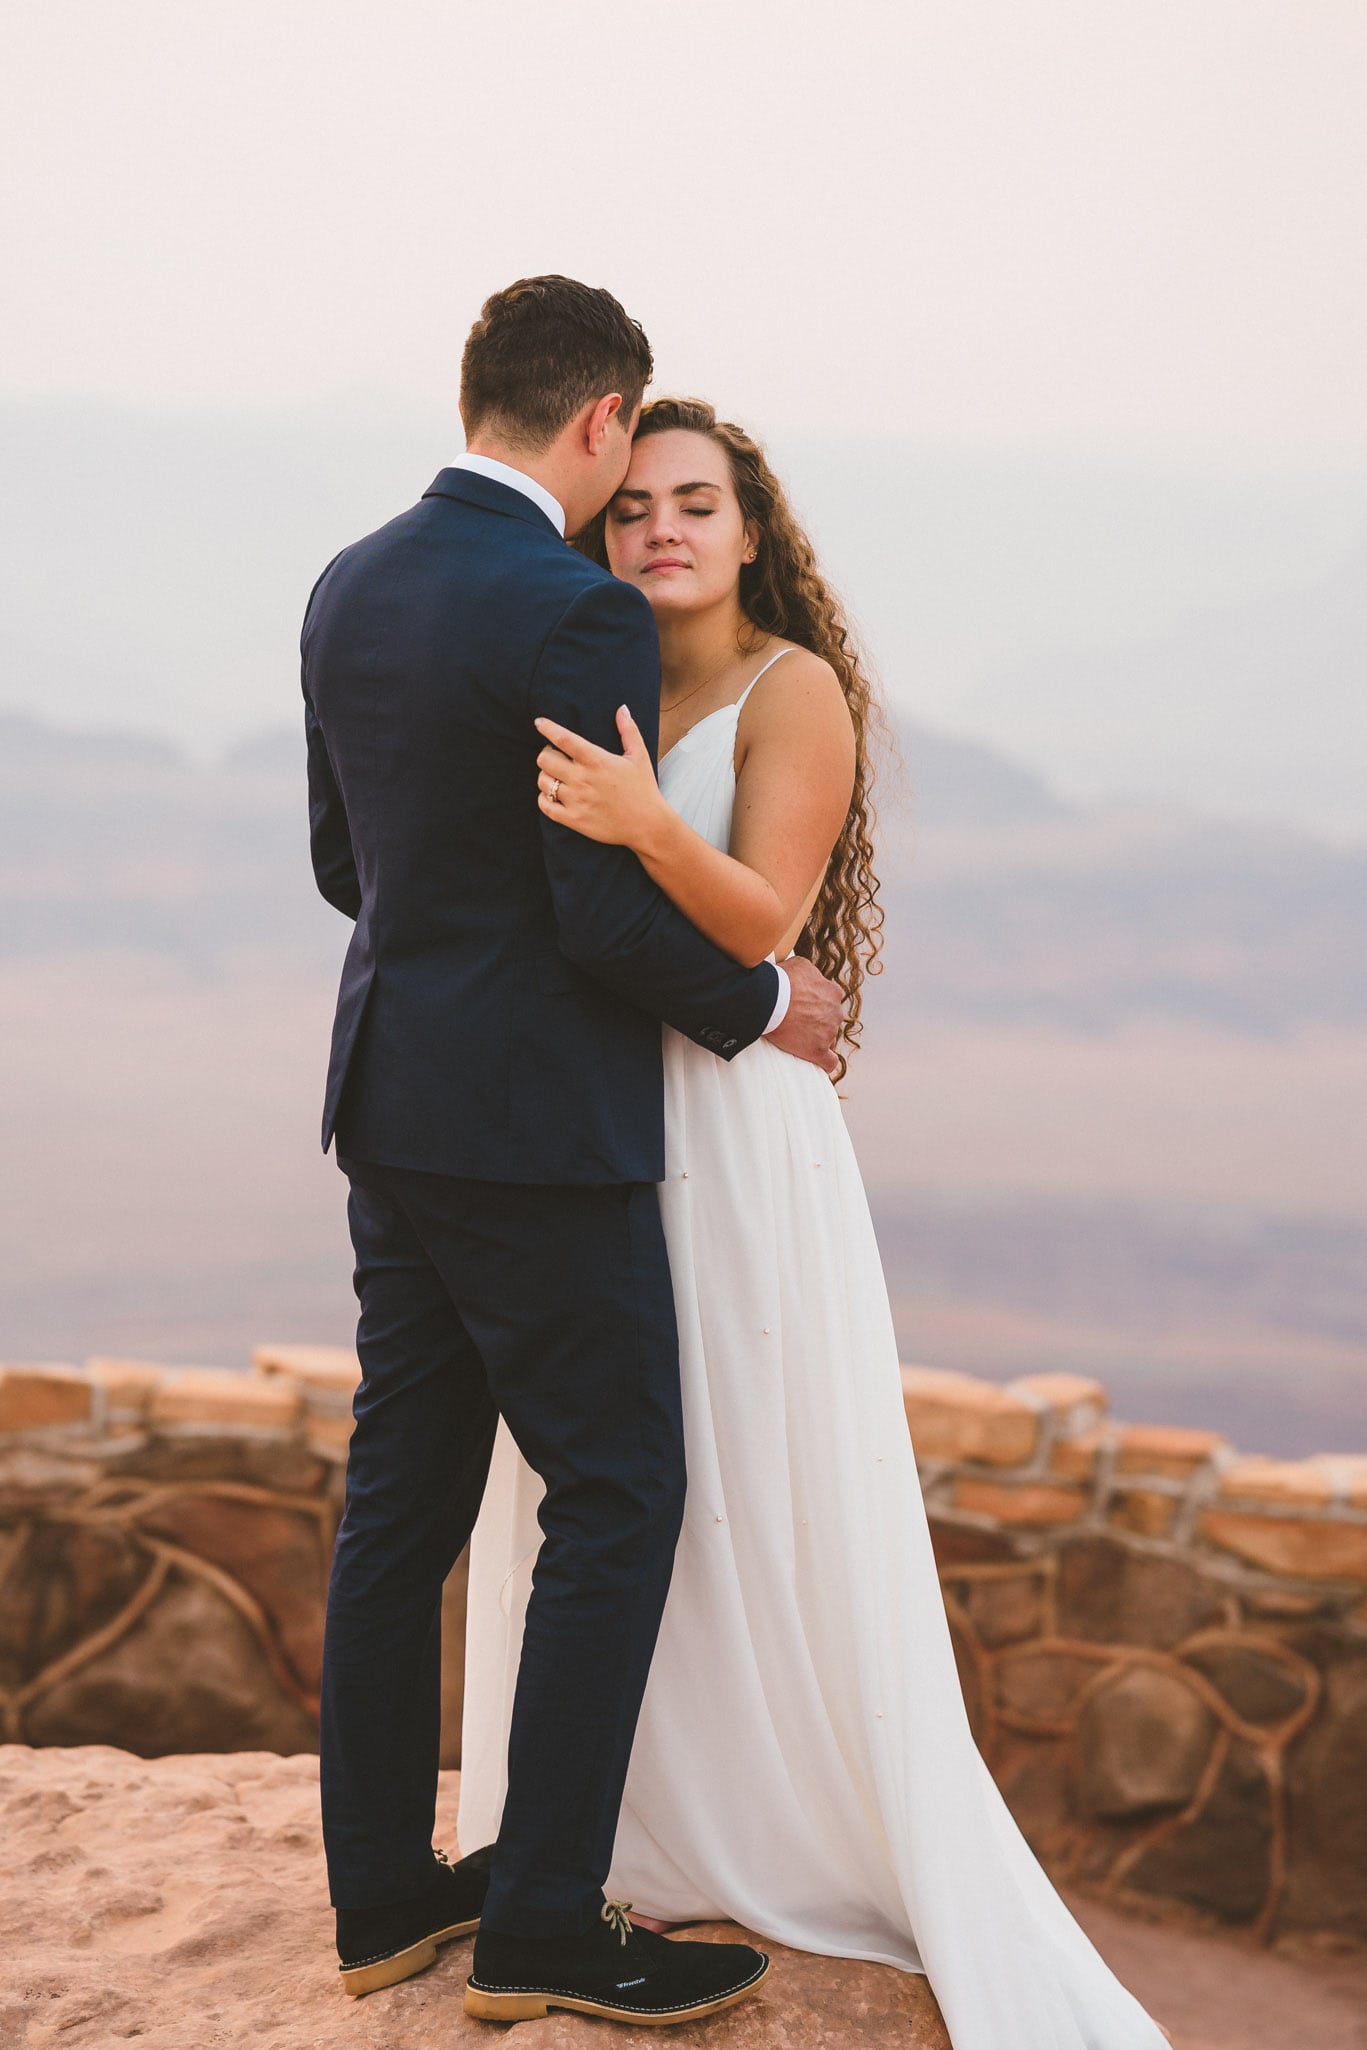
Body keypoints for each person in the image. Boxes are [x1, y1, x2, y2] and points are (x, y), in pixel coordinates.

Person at [459, 398, 1172, 2049]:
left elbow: (767, 917)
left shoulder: (796, 692)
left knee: (745, 1456)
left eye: (697, 503)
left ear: (752, 526)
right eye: (633, 506)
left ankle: (780, 1820)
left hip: (738, 1123)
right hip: (601, 1112)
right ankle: (622, 1819)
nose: (663, 532)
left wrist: (644, 822)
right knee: (625, 1470)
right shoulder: (598, 664)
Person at [301, 281, 846, 2027]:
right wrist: (765, 1009)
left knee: (402, 1504)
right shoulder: (572, 613)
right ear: (603, 417)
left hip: (392, 1107)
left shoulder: (348, 582)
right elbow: (606, 925)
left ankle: (383, 1896)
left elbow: (347, 866)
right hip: (540, 1133)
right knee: (620, 1494)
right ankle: (542, 1921)